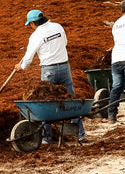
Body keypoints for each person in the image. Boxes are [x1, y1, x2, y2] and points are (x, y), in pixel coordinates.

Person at [17, 9, 85, 144]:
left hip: (49, 70)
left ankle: (46, 137)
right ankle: (80, 134)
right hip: (65, 67)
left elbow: (29, 57)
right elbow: (64, 42)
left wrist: (21, 67)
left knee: (46, 102)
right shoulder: (58, 27)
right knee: (72, 100)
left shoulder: (36, 35)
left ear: (32, 23)